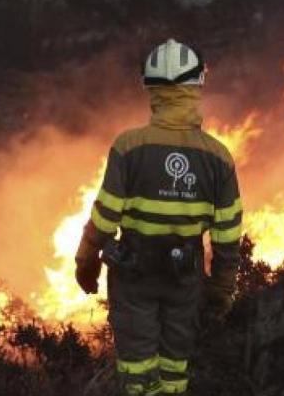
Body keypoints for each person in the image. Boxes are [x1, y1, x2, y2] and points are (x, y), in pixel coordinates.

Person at [74, 39, 243, 395]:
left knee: (138, 372)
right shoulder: (218, 156)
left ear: (149, 87)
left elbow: (105, 217)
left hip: (134, 278)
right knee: (174, 369)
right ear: (198, 85)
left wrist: (86, 261)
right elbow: (227, 233)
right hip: (185, 280)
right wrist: (222, 288)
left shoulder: (128, 147)